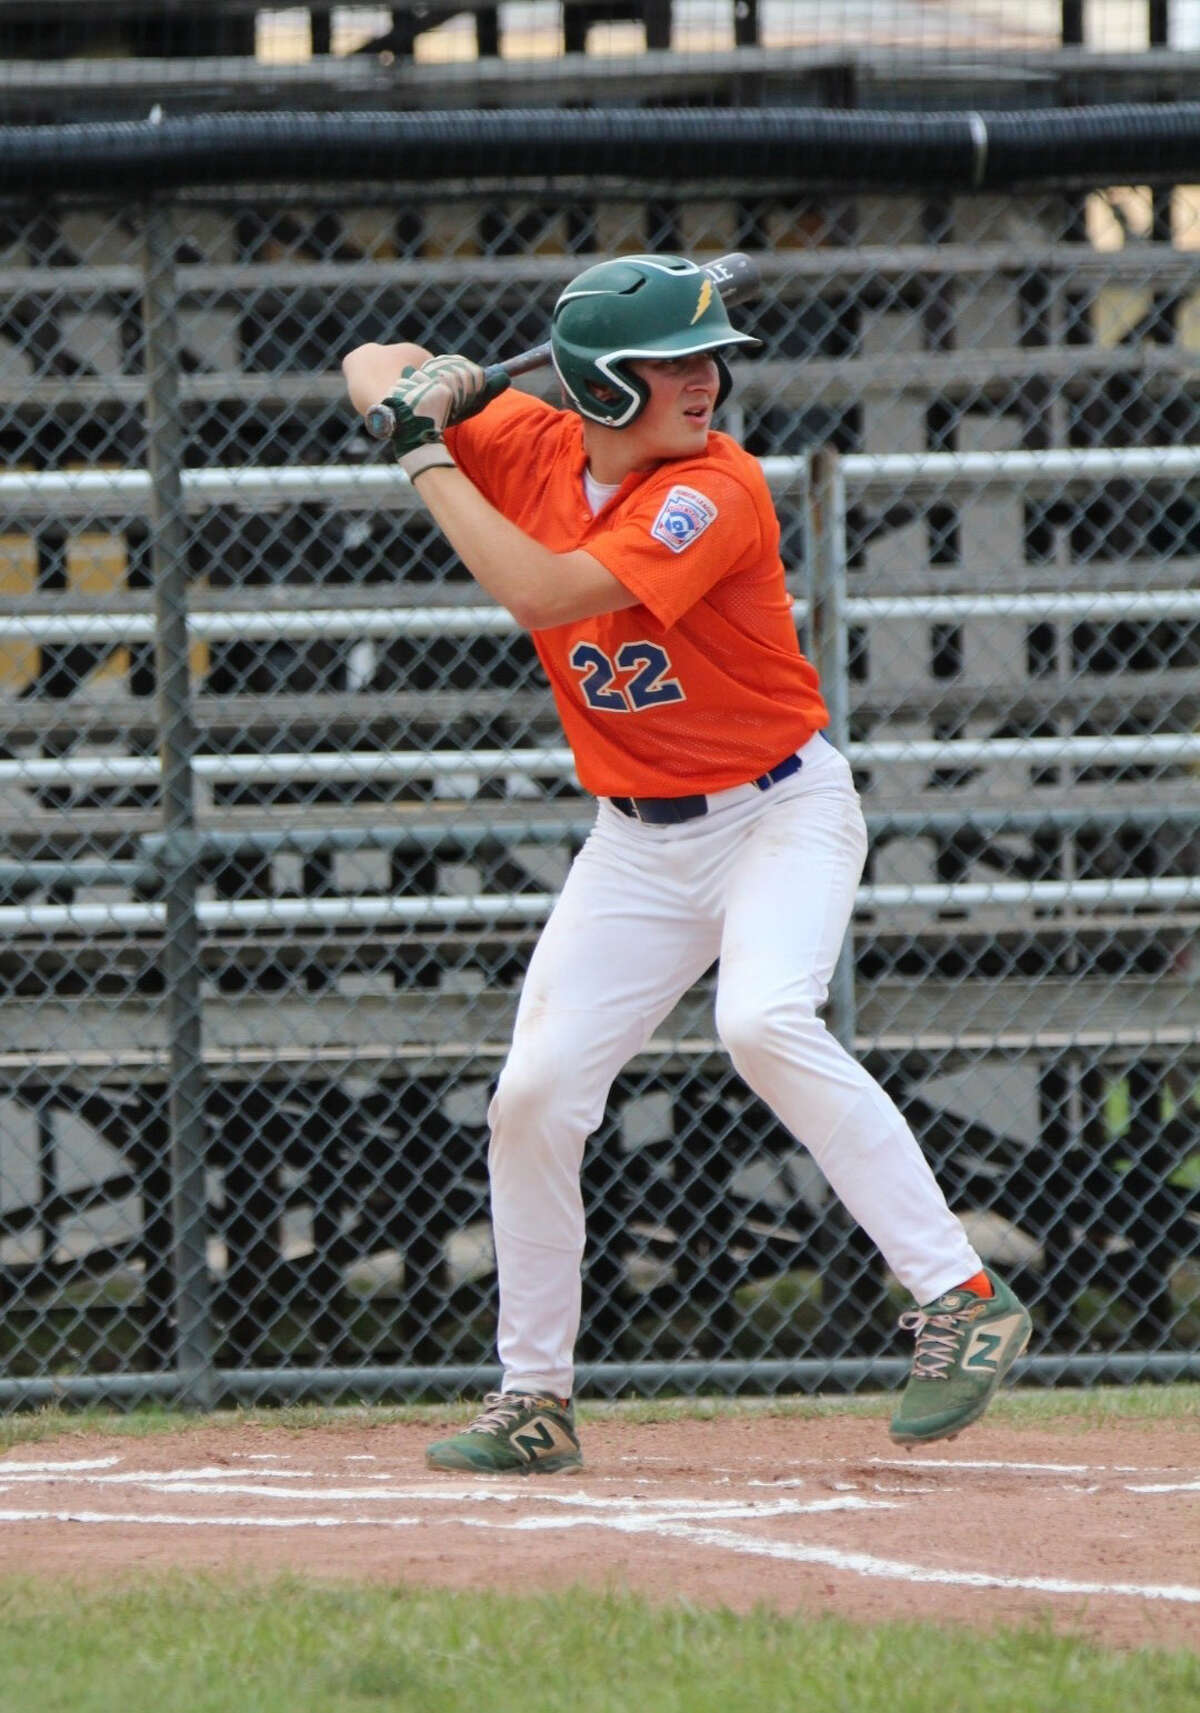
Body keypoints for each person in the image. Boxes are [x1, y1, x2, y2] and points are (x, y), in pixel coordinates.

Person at [342, 253, 1031, 1475]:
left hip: (779, 814)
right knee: (532, 1098)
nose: (705, 380)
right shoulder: (537, 449)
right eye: (670, 365)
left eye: (709, 358)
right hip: (637, 842)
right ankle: (534, 1397)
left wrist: (423, 452)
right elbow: (370, 364)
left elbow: (544, 593)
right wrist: (430, 386)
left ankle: (960, 1296)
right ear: (604, 389)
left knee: (762, 1020)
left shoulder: (713, 492)